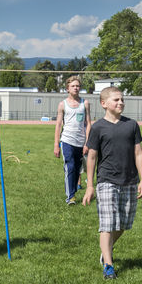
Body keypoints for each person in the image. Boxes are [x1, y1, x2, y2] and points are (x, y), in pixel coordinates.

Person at [82, 86, 142, 279]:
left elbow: (138, 153)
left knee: (124, 224)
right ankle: (109, 266)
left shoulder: (132, 125)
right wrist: (90, 185)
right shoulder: (97, 128)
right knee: (107, 224)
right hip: (106, 180)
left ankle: (106, 251)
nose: (120, 103)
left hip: (129, 180)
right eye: (116, 100)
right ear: (104, 104)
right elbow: (92, 157)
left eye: (122, 99)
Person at [54, 76, 91, 205]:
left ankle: (73, 190)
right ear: (67, 88)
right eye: (73, 86)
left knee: (77, 168)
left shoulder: (84, 103)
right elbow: (58, 124)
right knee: (69, 167)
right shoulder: (62, 105)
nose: (76, 88)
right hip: (67, 140)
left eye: (78, 86)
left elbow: (88, 124)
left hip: (81, 142)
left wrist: (87, 142)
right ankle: (70, 197)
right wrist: (56, 145)